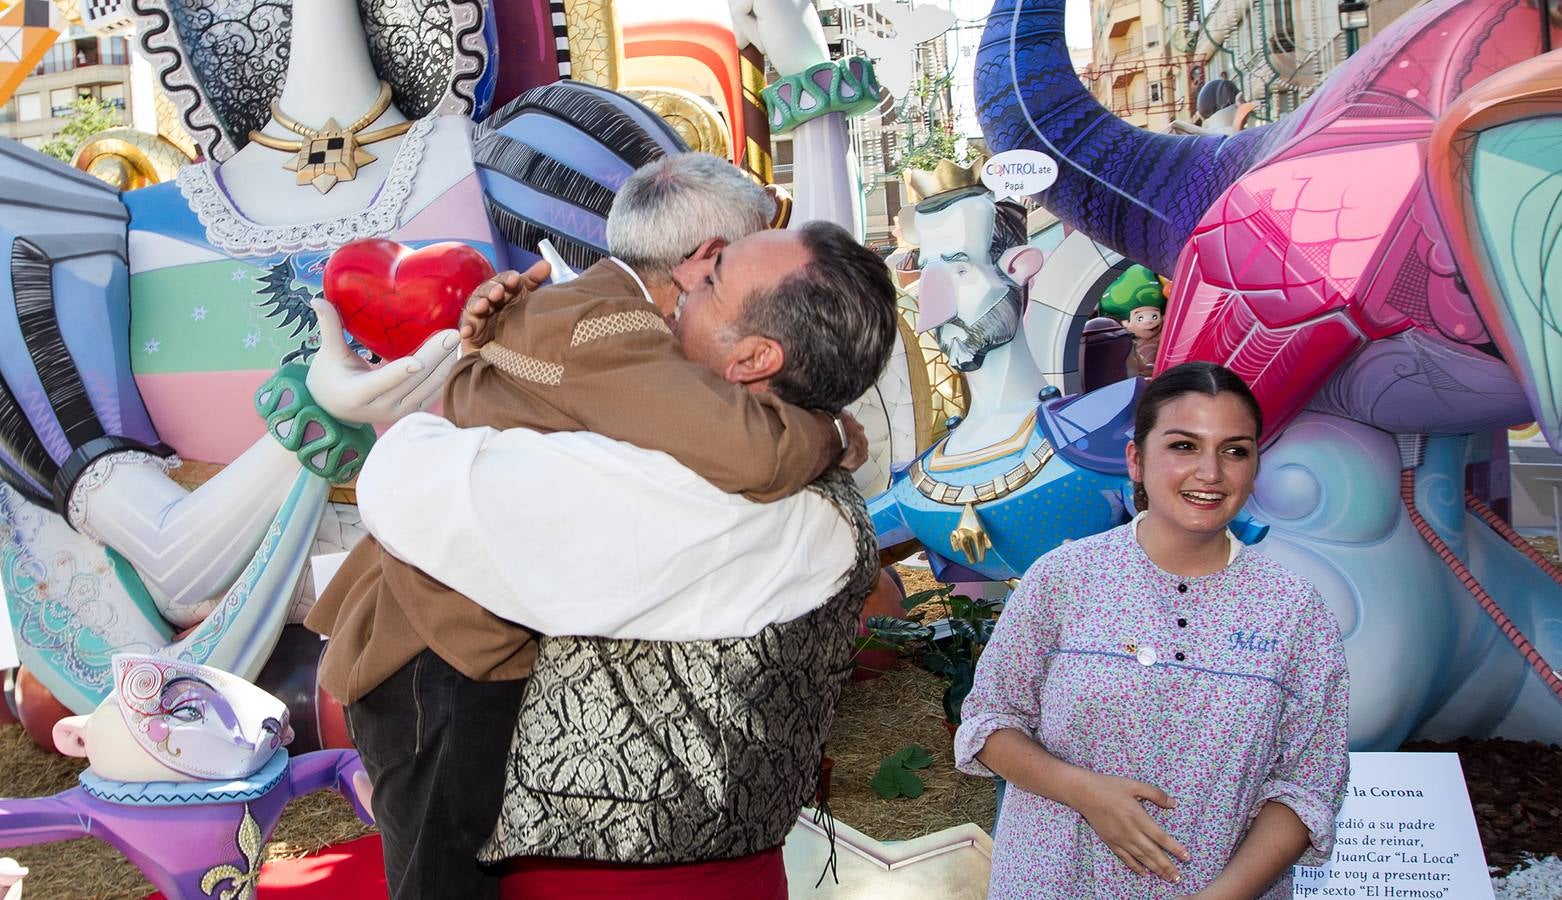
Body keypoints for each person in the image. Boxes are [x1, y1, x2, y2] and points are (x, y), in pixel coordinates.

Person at [305, 152, 866, 899]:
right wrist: (830, 432)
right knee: (440, 879)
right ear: (700, 260)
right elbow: (752, 448)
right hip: (433, 658)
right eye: (731, 264)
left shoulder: (601, 317)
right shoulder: (609, 330)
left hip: (467, 646)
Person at [955, 361, 1350, 899]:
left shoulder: (1294, 610)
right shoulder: (1065, 577)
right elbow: (989, 722)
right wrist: (1087, 792)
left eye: (1235, 450)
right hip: (1052, 882)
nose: (1210, 472)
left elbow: (1308, 784)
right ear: (1136, 460)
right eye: (1184, 446)